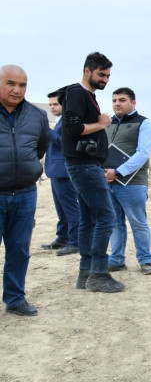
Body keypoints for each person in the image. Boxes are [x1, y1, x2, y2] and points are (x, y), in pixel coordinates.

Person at [60, 52, 125, 293]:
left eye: (108, 75)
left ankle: (85, 273)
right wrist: (101, 124)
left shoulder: (86, 95)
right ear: (87, 70)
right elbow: (73, 127)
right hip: (85, 166)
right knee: (107, 217)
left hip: (84, 165)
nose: (105, 80)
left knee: (89, 219)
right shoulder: (78, 93)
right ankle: (98, 273)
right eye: (101, 74)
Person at [0, 65, 50, 316]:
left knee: (19, 249)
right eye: (10, 83)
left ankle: (15, 298)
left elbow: (39, 149)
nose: (17, 90)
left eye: (22, 85)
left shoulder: (37, 116)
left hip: (25, 194)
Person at [103, 88, 151, 275]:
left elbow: (142, 153)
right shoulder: (107, 123)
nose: (117, 103)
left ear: (133, 103)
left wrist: (118, 172)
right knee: (115, 223)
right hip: (108, 182)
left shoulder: (144, 123)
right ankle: (116, 259)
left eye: (122, 100)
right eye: (114, 100)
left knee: (138, 223)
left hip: (132, 183)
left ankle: (145, 260)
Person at [42, 91, 80, 256]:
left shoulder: (68, 121)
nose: (52, 107)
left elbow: (63, 142)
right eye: (50, 104)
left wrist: (48, 132)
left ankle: (75, 241)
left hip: (64, 172)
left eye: (55, 104)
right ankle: (62, 237)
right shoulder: (59, 121)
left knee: (70, 207)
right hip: (56, 171)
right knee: (61, 208)